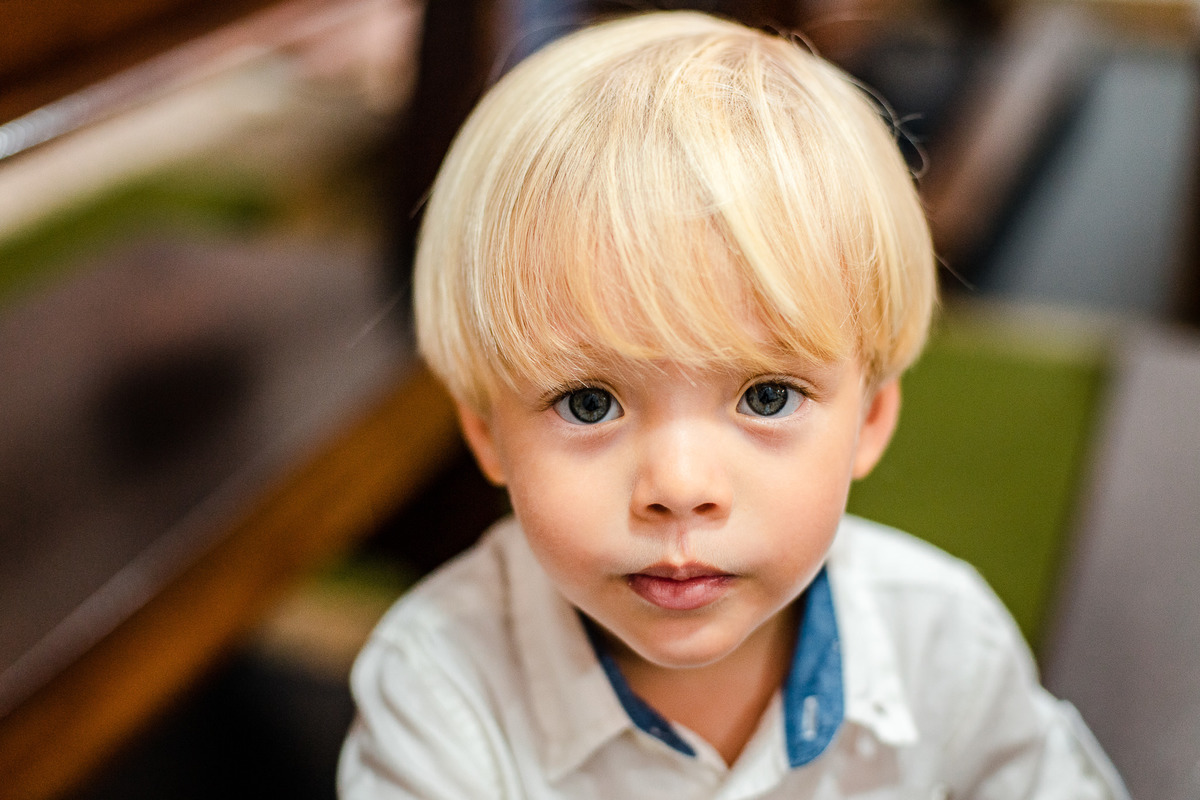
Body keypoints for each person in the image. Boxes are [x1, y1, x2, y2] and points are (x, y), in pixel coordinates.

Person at [338, 11, 1128, 798]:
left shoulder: (944, 644)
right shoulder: (438, 691)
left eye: (767, 396)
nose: (680, 487)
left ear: (870, 419)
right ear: (486, 430)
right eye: (588, 403)